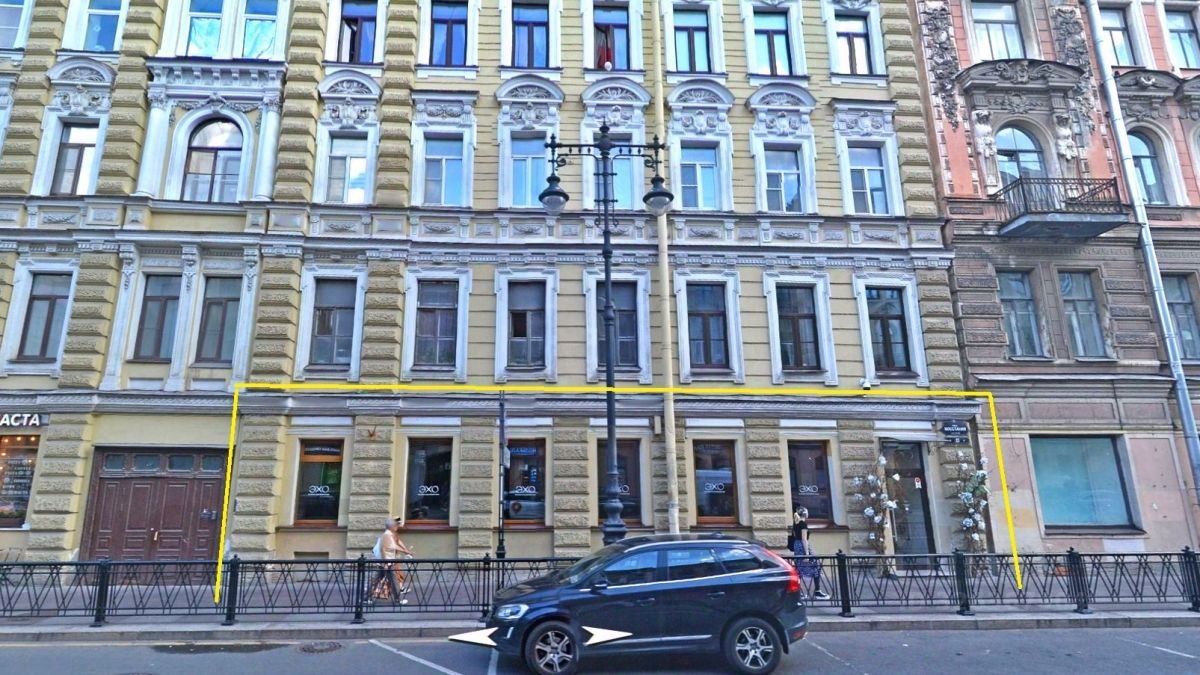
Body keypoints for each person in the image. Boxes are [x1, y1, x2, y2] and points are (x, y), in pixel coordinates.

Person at [787, 506, 830, 600]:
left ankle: (798, 592)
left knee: (799, 568)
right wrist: (807, 554)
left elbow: (796, 537)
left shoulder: (796, 523)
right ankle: (817, 591)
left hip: (797, 546)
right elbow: (804, 539)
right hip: (802, 547)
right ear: (805, 514)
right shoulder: (803, 524)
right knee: (816, 566)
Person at [368, 518, 414, 604]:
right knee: (393, 581)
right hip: (387, 563)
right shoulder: (387, 535)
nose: (397, 527)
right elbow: (384, 549)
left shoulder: (388, 534)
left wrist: (406, 551)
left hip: (384, 563)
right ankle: (398, 600)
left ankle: (366, 598)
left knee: (376, 580)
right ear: (392, 527)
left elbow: (395, 545)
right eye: (396, 525)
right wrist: (386, 562)